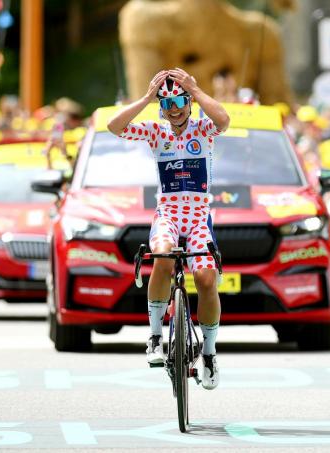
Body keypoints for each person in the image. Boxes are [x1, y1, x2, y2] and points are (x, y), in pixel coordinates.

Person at [107, 68, 229, 390]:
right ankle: (155, 337)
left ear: (188, 101)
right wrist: (147, 98)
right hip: (169, 215)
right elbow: (114, 126)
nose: (173, 108)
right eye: (166, 102)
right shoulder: (156, 132)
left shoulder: (203, 128)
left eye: (179, 100)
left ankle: (209, 353)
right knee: (161, 257)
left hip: (199, 216)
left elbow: (224, 120)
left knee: (205, 279)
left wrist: (198, 90)